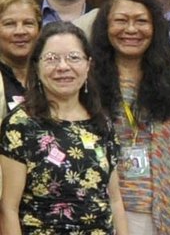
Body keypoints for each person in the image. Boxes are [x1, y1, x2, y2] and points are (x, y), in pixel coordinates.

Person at [90, 0, 170, 235]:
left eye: (141, 21)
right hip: (102, 214)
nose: (131, 30)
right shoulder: (89, 82)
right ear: (105, 28)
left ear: (155, 29)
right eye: (121, 20)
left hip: (164, 214)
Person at [0, 22, 128, 234]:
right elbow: (8, 208)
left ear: (88, 65)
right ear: (37, 67)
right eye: (51, 59)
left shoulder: (101, 123)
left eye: (73, 58)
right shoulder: (20, 125)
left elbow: (114, 199)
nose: (63, 67)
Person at [0, 0, 42, 118]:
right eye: (10, 24)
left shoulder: (51, 72)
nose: (20, 31)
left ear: (39, 30)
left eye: (28, 23)